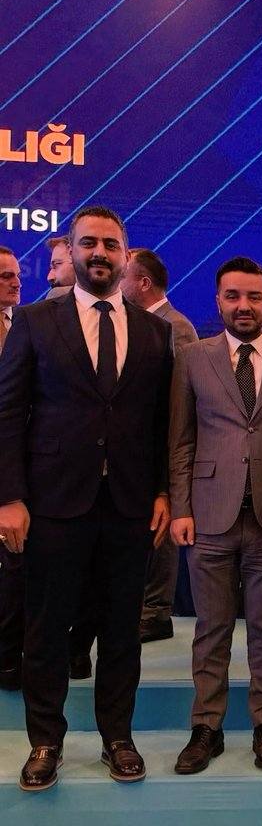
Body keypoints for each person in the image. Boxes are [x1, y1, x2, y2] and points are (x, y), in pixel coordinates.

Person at [0, 206, 173, 792]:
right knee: (47, 629)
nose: (100, 252)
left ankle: (117, 737)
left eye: (111, 244)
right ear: (71, 251)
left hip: (128, 505)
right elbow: (8, 414)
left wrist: (162, 490)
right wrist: (10, 496)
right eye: (89, 243)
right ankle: (45, 742)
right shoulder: (34, 321)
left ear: (126, 255)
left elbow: (160, 422)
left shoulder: (155, 332)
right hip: (52, 503)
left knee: (122, 629)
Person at [168, 256, 262, 775]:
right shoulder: (192, 358)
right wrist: (181, 507)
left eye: (253, 297)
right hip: (208, 515)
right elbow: (180, 440)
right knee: (211, 628)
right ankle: (207, 727)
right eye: (233, 296)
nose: (243, 306)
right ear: (218, 301)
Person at [121, 247, 200, 643]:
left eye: (124, 276)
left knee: (162, 527)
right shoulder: (140, 323)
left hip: (168, 445)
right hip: (141, 446)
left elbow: (179, 397)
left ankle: (156, 613)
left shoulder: (175, 326)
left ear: (143, 283)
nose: (118, 283)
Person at [0, 245, 23, 692]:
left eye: (17, 275)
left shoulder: (23, 326)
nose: (15, 282)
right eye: (4, 276)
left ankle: (7, 660)